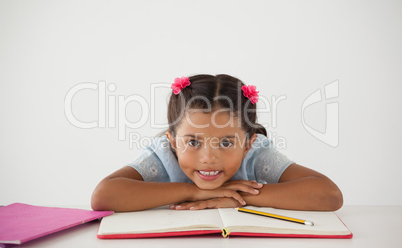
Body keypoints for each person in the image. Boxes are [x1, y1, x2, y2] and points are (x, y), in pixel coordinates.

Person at [91, 74, 343, 212]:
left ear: (247, 144)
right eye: (193, 142)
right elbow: (103, 196)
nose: (208, 158)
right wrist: (195, 192)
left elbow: (329, 195)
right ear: (173, 142)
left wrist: (236, 197)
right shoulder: (163, 155)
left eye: (225, 143)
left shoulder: (256, 153)